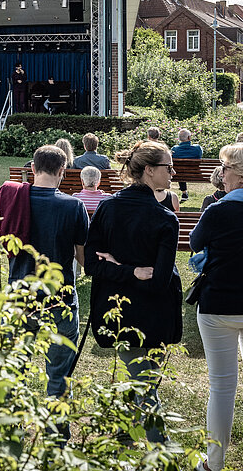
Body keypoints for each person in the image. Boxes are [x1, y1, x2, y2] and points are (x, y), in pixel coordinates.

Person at [84, 140, 182, 442]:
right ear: (149, 170)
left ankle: (123, 440)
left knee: (140, 380)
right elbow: (91, 265)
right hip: (150, 315)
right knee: (145, 385)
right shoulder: (164, 218)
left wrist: (118, 265)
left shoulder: (108, 207)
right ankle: (161, 450)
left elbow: (97, 264)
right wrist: (133, 270)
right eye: (168, 167)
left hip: (119, 309)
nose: (173, 172)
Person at [1, 145, 89, 418]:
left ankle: (10, 433)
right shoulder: (73, 205)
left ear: (33, 168)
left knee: (14, 371)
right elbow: (83, 260)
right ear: (63, 171)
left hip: (19, 294)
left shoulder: (14, 201)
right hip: (59, 299)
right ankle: (57, 437)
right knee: (60, 376)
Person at [190, 143, 243, 471]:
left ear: (242, 174)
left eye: (225, 168)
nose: (221, 174)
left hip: (218, 306)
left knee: (222, 387)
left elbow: (195, 242)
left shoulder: (218, 209)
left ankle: (213, 464)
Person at [171, 128, 203, 203]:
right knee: (183, 170)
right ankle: (184, 193)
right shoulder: (197, 148)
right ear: (189, 138)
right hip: (195, 174)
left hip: (179, 175)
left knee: (181, 170)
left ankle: (184, 193)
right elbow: (200, 156)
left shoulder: (174, 149)